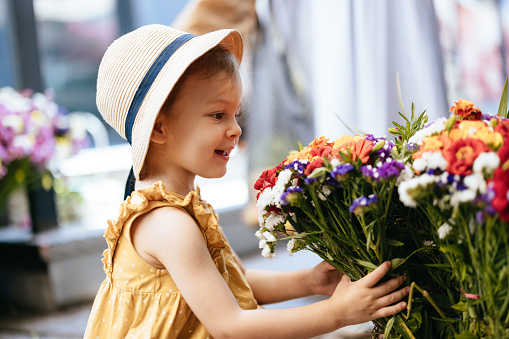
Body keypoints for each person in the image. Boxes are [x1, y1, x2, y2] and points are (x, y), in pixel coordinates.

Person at [84, 24, 410, 338]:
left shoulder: (182, 205)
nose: (236, 129)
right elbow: (231, 327)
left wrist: (310, 283)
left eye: (235, 114)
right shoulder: (168, 224)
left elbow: (234, 280)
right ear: (158, 128)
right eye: (218, 115)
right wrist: (338, 313)